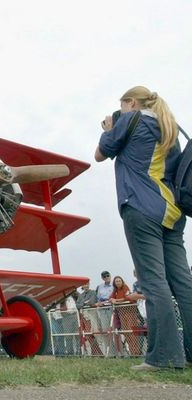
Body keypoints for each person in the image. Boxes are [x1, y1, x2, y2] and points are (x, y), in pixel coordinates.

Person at [95, 86, 192, 371]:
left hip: (142, 207)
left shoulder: (130, 119)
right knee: (183, 283)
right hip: (173, 212)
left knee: (153, 282)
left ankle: (164, 356)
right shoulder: (168, 128)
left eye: (122, 105)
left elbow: (100, 154)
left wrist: (109, 128)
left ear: (132, 103)